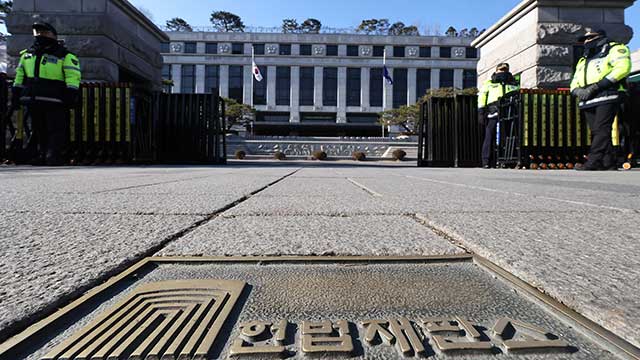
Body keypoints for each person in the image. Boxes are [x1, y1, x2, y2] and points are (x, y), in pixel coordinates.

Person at [12, 22, 81, 165]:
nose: (40, 35)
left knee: (56, 129)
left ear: (54, 35)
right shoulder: (27, 55)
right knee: (38, 129)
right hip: (33, 98)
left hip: (56, 99)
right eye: (37, 33)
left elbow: (73, 76)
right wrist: (16, 93)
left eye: (44, 32)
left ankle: (53, 156)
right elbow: (19, 75)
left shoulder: (65, 55)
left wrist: (71, 94)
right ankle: (42, 155)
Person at [570, 29, 631, 171]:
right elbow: (575, 80)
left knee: (601, 129)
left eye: (589, 38)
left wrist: (597, 86)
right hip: (587, 98)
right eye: (584, 39)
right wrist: (577, 91)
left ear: (600, 37)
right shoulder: (583, 59)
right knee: (598, 131)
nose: (586, 42)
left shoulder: (615, 49)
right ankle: (608, 162)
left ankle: (593, 160)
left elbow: (623, 68)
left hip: (607, 93)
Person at [478, 63, 520, 169]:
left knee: (509, 136)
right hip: (494, 112)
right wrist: (481, 111)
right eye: (501, 70)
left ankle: (508, 159)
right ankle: (486, 161)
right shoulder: (489, 82)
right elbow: (482, 96)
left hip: (509, 113)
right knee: (489, 136)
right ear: (496, 71)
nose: (503, 72)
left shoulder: (513, 82)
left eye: (505, 70)